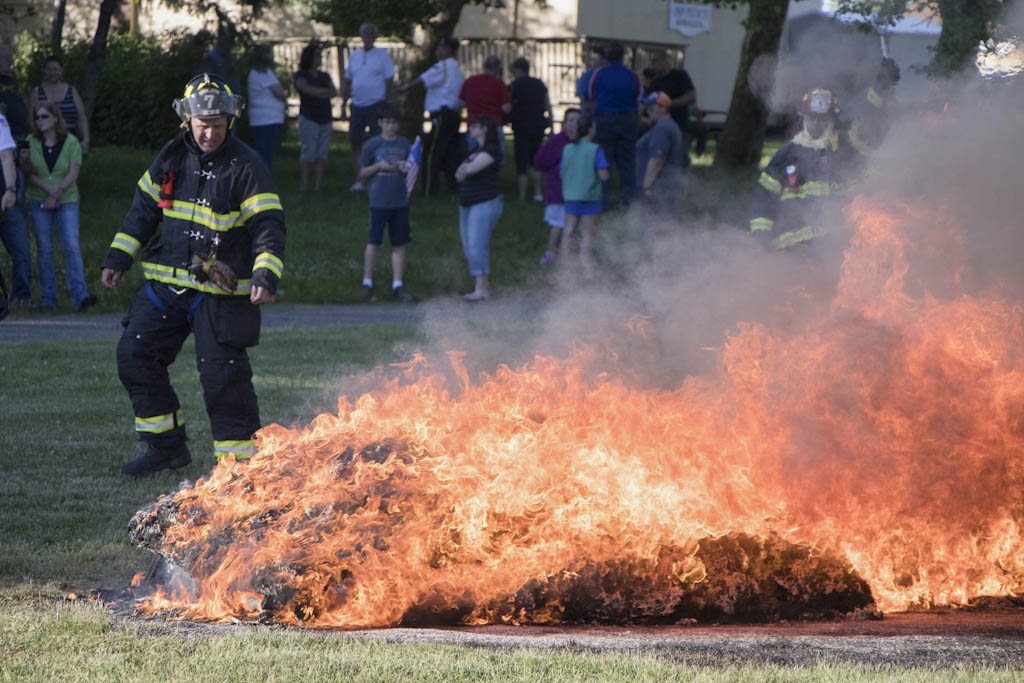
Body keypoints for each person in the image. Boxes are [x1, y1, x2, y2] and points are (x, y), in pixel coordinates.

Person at [100, 73, 286, 476]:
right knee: (134, 355)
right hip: (166, 287)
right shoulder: (170, 157)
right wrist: (118, 258)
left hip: (219, 293)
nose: (210, 134)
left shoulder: (247, 166)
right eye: (203, 126)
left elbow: (268, 224)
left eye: (218, 126)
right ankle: (166, 448)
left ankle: (239, 470)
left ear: (229, 122)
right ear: (187, 121)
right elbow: (143, 211)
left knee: (223, 378)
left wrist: (264, 274)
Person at [749, 87, 856, 250]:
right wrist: (760, 234)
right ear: (804, 118)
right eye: (812, 117)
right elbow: (764, 197)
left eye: (823, 118)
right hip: (791, 246)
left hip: (832, 246)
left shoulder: (841, 153)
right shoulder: (786, 155)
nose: (817, 123)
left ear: (832, 120)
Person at [23, 102, 96, 311]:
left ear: (55, 118)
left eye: (44, 116)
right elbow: (29, 174)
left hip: (66, 198)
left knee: (71, 246)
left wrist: (57, 192)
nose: (40, 121)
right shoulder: (30, 141)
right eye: (37, 117)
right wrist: (48, 189)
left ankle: (80, 297)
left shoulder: (71, 142)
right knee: (44, 249)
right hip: (38, 197)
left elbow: (74, 172)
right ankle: (48, 299)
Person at [357, 103, 415, 303]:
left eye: (394, 123)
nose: (390, 126)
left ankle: (397, 285)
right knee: (374, 242)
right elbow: (361, 173)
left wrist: (405, 167)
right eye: (387, 122)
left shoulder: (404, 144)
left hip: (400, 201)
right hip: (379, 201)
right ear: (380, 123)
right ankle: (367, 282)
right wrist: (377, 166)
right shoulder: (373, 144)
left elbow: (413, 169)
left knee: (399, 244)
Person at [399, 38, 464, 196]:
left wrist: (404, 88)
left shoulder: (442, 66)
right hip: (454, 115)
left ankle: (429, 189)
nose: (436, 52)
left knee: (431, 152)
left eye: (439, 48)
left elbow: (423, 79)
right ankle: (453, 187)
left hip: (442, 115)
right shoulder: (458, 70)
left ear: (447, 50)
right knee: (450, 153)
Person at [587, 43, 641, 209]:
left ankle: (603, 201)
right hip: (627, 120)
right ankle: (627, 202)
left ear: (607, 57)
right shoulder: (632, 75)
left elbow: (590, 96)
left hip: (604, 121)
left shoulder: (598, 74)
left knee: (604, 162)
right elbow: (638, 97)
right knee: (627, 164)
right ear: (623, 57)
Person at [455, 114, 503, 301]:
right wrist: (464, 169)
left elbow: (468, 170)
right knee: (469, 246)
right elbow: (458, 175)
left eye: (475, 126)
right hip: (467, 204)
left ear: (484, 129)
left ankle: (482, 289)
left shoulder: (491, 150)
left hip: (485, 202)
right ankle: (479, 287)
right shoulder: (473, 152)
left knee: (477, 244)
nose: (471, 129)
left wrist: (465, 168)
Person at [343, 23, 395, 191]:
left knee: (377, 142)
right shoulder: (354, 56)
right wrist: (344, 103)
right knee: (355, 142)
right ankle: (360, 180)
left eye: (371, 33)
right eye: (365, 33)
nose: (368, 36)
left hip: (376, 104)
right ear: (361, 35)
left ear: (376, 36)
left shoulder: (382, 55)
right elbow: (348, 80)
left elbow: (389, 79)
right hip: (357, 105)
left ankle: (377, 178)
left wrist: (386, 102)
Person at [559, 114, 609, 267]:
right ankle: (586, 265)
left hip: (571, 196)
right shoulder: (595, 149)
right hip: (590, 197)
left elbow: (561, 172)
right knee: (587, 233)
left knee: (569, 231)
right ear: (589, 130)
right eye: (594, 126)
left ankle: (565, 265)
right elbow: (604, 175)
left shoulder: (567, 149)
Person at [533, 108, 580, 265]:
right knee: (558, 225)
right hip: (558, 192)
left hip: (578, 193)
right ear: (564, 123)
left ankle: (568, 255)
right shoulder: (556, 141)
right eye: (571, 120)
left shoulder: (584, 141)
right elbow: (539, 162)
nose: (574, 124)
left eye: (578, 120)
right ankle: (550, 252)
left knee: (573, 226)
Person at [294, 43, 337, 193]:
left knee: (321, 153)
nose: (320, 58)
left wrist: (318, 92)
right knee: (308, 152)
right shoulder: (300, 75)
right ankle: (304, 186)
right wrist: (322, 92)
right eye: (317, 55)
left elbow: (333, 92)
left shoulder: (324, 75)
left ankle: (318, 186)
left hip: (326, 118)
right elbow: (306, 90)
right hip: (309, 118)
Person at [508, 57, 552, 203]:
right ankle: (538, 193)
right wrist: (551, 123)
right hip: (538, 125)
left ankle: (522, 196)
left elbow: (508, 107)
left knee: (522, 161)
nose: (512, 74)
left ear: (518, 70)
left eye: (513, 71)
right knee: (536, 159)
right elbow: (547, 104)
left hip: (521, 127)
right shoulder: (539, 83)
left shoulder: (514, 86)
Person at [28, 55, 90, 155]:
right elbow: (31, 120)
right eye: (49, 69)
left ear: (61, 71)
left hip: (70, 142)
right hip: (44, 143)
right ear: (44, 71)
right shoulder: (37, 92)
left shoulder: (72, 91)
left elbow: (81, 118)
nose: (52, 73)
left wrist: (86, 139)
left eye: (55, 69)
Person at [635, 91, 686, 211]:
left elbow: (657, 160)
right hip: (666, 185)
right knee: (664, 225)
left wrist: (646, 187)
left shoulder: (662, 129)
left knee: (656, 226)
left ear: (662, 108)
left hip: (659, 187)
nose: (648, 111)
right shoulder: (669, 126)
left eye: (651, 108)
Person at [647, 50, 695, 168]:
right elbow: (648, 104)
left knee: (679, 159)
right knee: (659, 159)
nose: (652, 65)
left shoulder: (679, 75)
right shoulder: (654, 83)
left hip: (680, 125)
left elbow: (690, 96)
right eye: (651, 61)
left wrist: (669, 104)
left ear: (665, 60)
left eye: (655, 61)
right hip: (660, 128)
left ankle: (683, 182)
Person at [246, 45, 286, 169]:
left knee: (266, 152)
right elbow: (279, 93)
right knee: (264, 154)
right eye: (270, 53)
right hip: (265, 120)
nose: (273, 56)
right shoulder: (261, 73)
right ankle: (262, 180)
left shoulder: (264, 72)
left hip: (269, 119)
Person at [459, 55, 510, 142]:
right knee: (495, 154)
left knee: (473, 154)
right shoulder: (499, 84)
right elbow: (506, 108)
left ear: (484, 66)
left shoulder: (470, 81)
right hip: (494, 125)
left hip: (473, 126)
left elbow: (461, 103)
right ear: (498, 68)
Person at [0, 44, 29, 140]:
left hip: (19, 132)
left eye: (11, 58)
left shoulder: (12, 80)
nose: (11, 61)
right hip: (4, 135)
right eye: (7, 58)